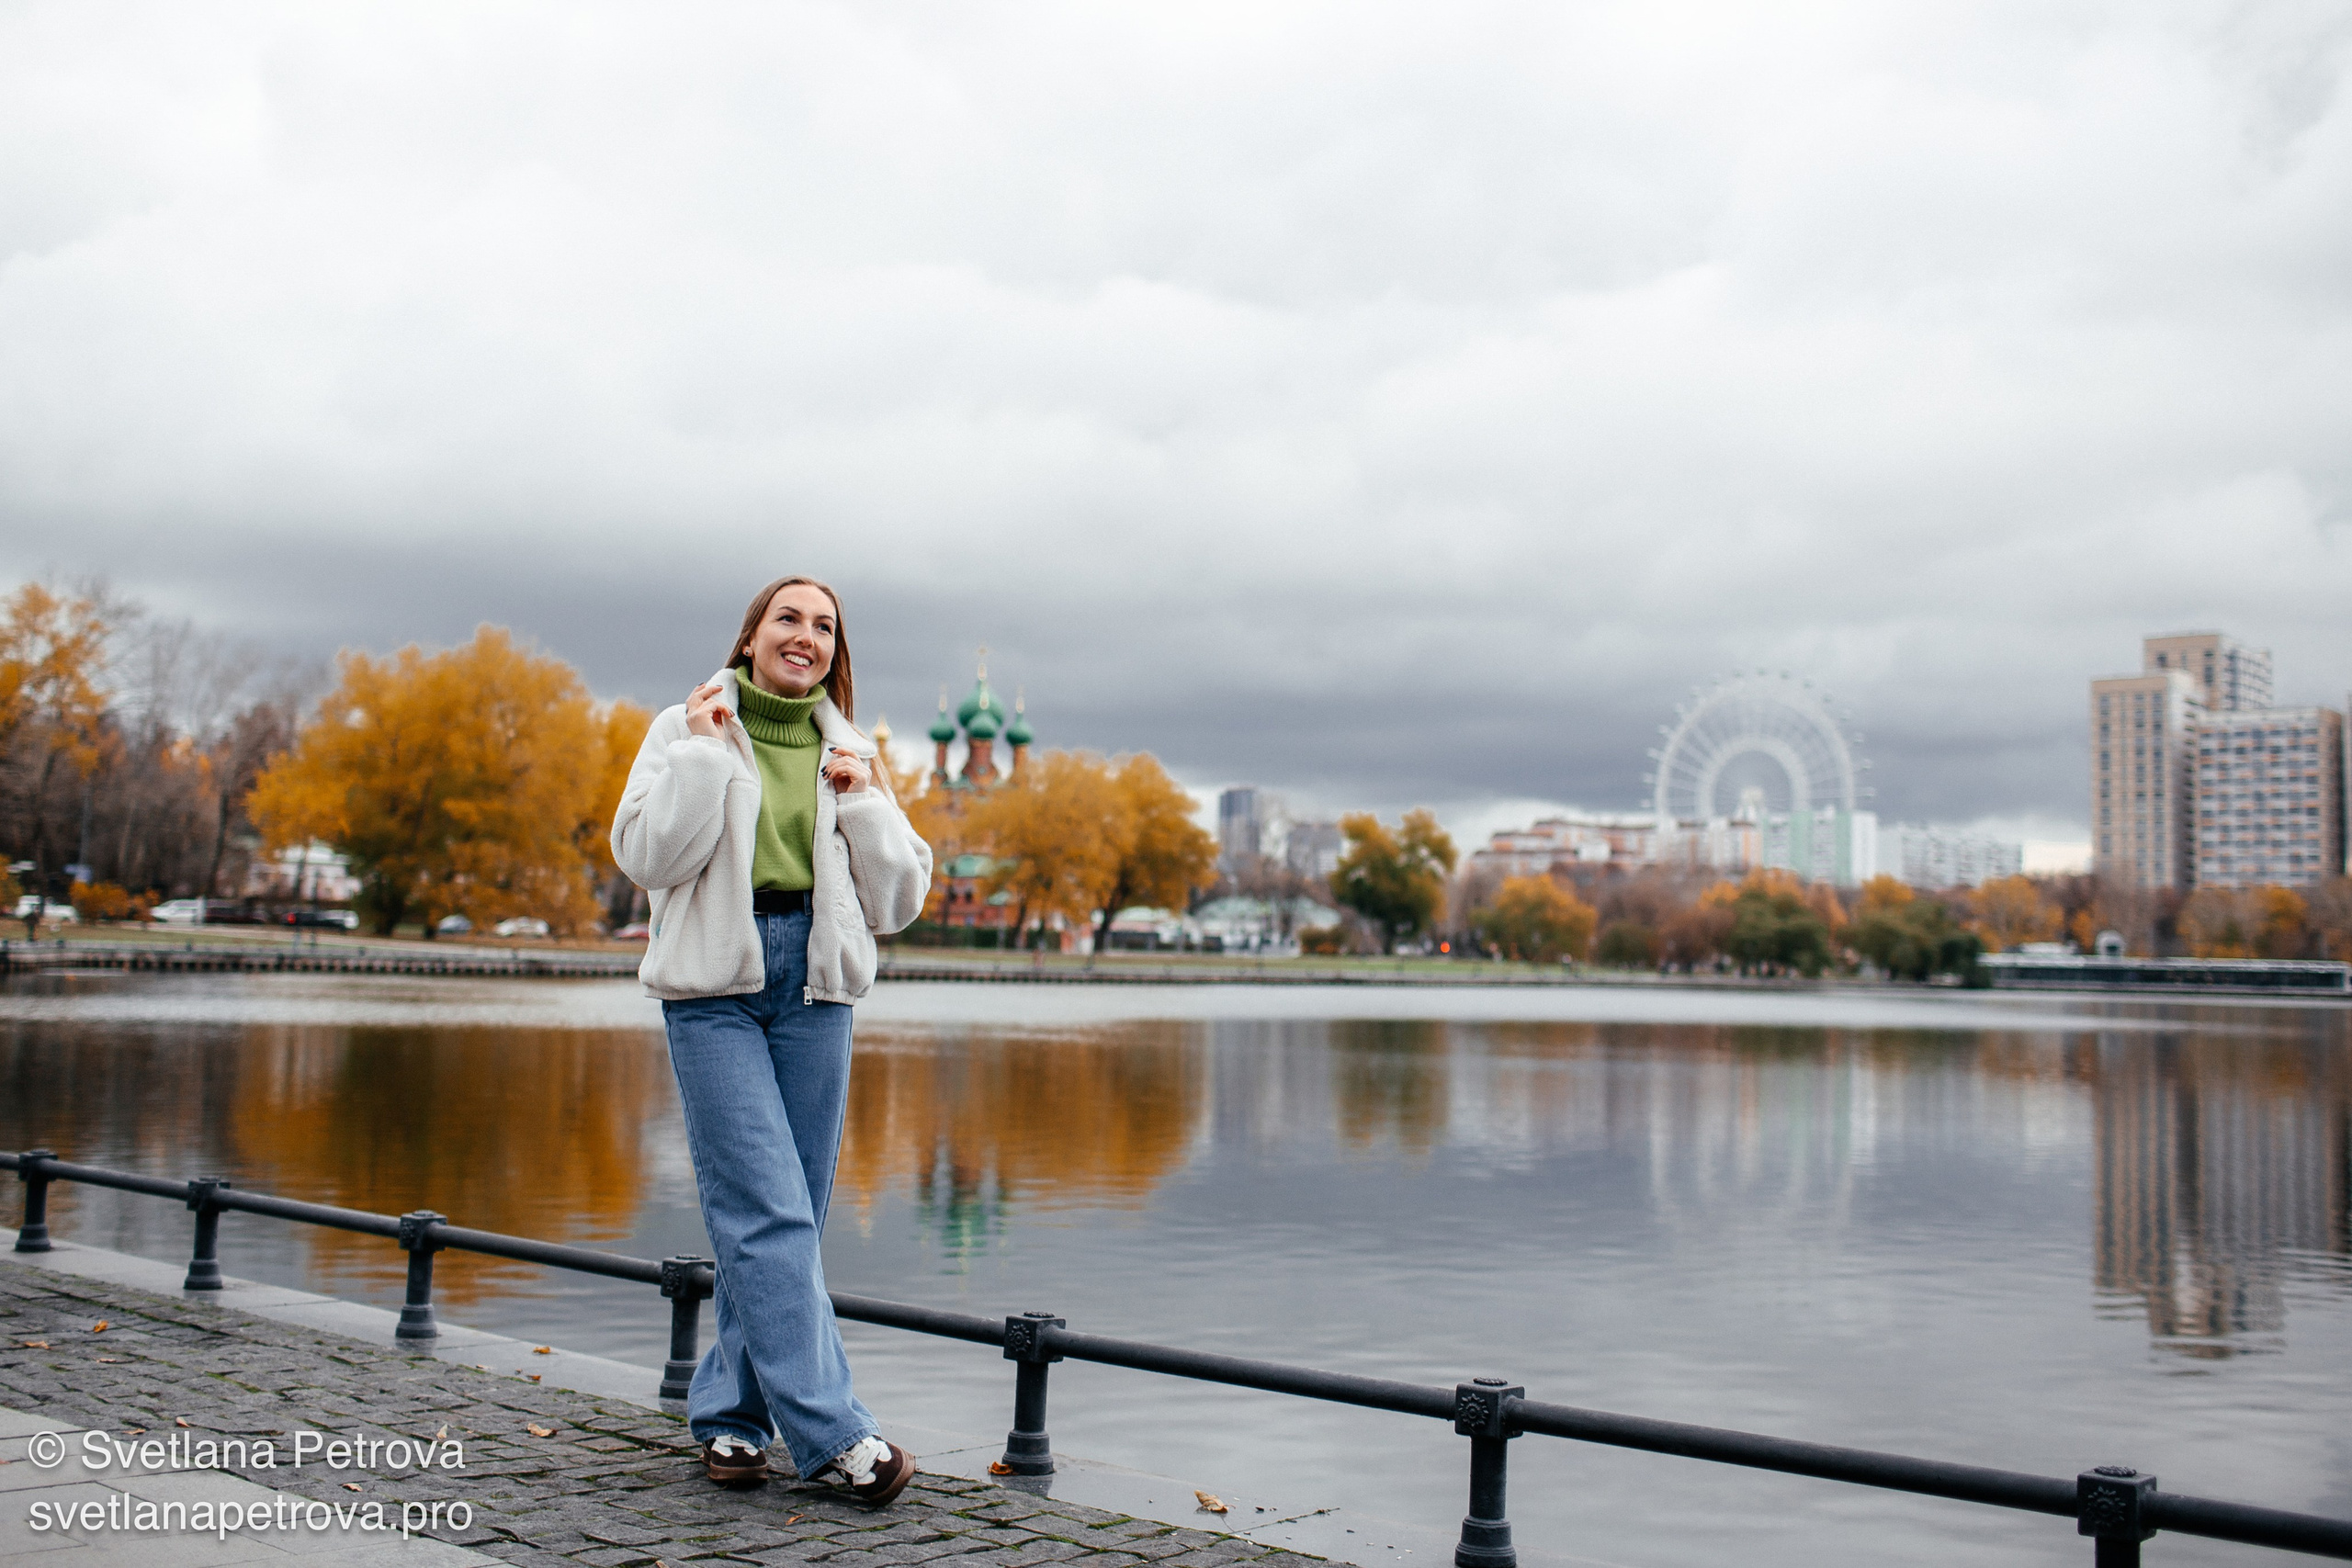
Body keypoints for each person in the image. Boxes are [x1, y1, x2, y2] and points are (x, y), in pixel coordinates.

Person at [611, 574, 933, 1505]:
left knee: (787, 1215)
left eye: (823, 625)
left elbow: (901, 900)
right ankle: (835, 1435)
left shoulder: (849, 749)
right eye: (787, 618)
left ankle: (730, 1422)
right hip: (715, 986)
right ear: (751, 635)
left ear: (836, 652)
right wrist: (707, 759)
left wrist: (864, 802)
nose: (805, 634)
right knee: (765, 1209)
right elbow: (645, 857)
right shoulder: (687, 728)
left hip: (816, 991)